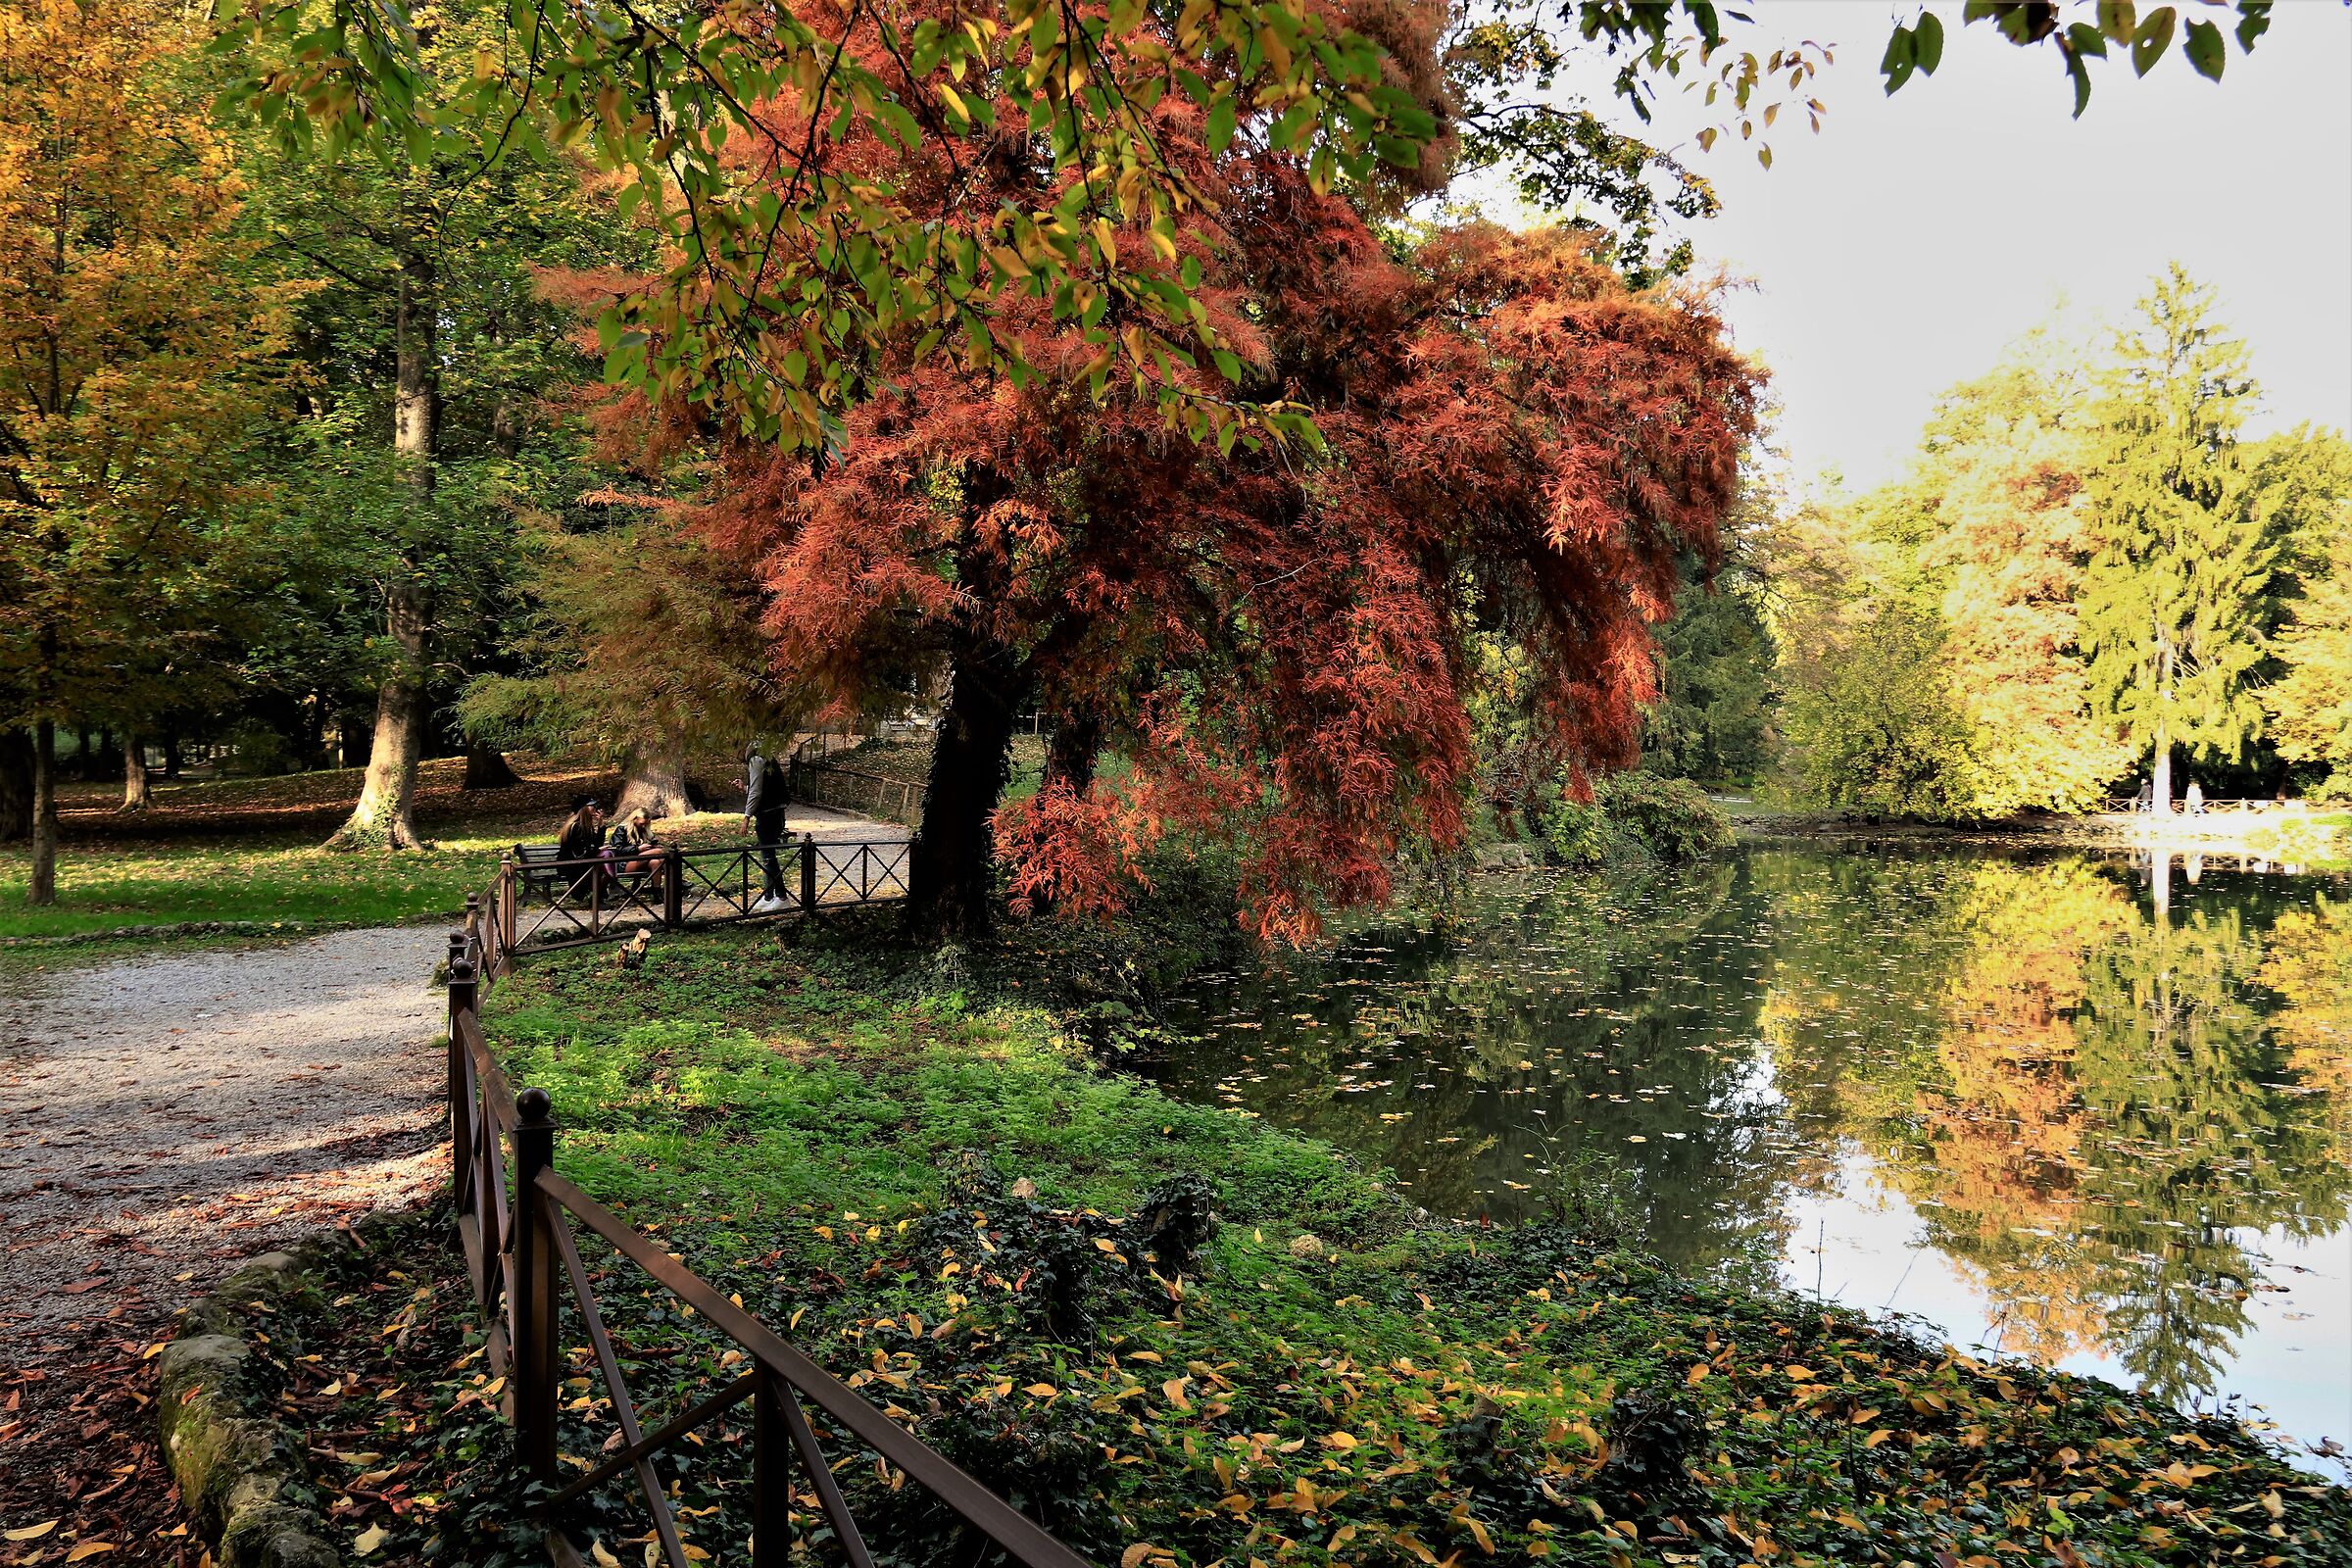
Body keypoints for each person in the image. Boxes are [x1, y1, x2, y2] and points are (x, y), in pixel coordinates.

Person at [744, 741, 789, 912]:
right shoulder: (766, 757)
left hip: (768, 815)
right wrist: (745, 787)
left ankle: (781, 896)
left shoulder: (755, 759)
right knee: (767, 856)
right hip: (776, 812)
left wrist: (746, 816)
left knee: (769, 856)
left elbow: (756, 791)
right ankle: (769, 896)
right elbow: (762, 787)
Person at [608, 807, 667, 894]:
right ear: (634, 819)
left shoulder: (644, 830)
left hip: (641, 860)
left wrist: (650, 845)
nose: (644, 826)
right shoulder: (622, 829)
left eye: (646, 824)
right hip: (623, 862)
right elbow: (617, 849)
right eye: (641, 824)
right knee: (659, 852)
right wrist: (637, 848)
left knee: (655, 862)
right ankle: (677, 881)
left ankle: (657, 893)